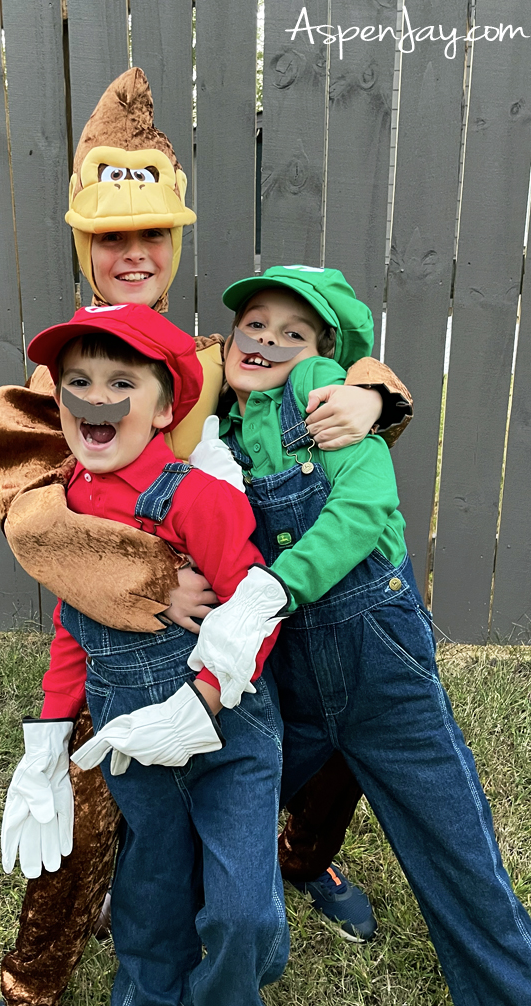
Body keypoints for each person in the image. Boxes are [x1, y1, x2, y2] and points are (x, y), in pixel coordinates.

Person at [0, 69, 413, 1003]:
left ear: (174, 239)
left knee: (336, 714)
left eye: (149, 234)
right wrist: (146, 585)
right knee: (86, 828)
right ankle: (39, 968)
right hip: (121, 644)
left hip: (236, 615)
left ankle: (290, 860)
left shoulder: (214, 359)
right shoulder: (46, 389)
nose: (132, 253)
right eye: (110, 238)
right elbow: (36, 522)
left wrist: (375, 390)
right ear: (85, 246)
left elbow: (317, 347)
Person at [173, 264, 531, 1005]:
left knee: (452, 836)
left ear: (325, 351)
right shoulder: (224, 432)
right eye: (256, 325)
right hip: (291, 671)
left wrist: (276, 584)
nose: (267, 340)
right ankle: (167, 914)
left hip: (379, 662)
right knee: (215, 787)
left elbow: (365, 505)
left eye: (292, 332)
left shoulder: (322, 395)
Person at [4, 300, 289, 1006]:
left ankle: (227, 988)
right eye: (78, 379)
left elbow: (260, 605)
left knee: (241, 911)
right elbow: (76, 624)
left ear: (165, 409)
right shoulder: (68, 503)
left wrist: (205, 698)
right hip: (129, 737)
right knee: (150, 889)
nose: (95, 398)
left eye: (121, 382)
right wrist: (45, 745)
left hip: (227, 739)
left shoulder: (197, 497)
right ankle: (148, 989)